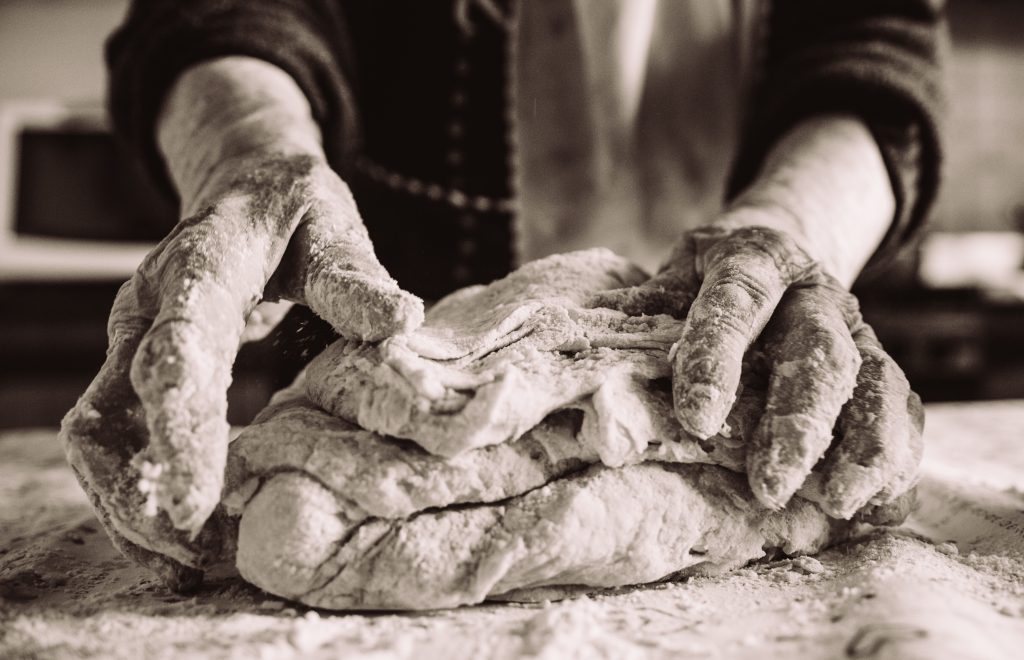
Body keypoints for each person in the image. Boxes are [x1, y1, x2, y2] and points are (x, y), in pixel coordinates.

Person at [61, 0, 946, 590]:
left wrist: (790, 226)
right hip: (385, 328)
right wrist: (251, 151)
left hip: (751, 339)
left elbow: (871, 42)